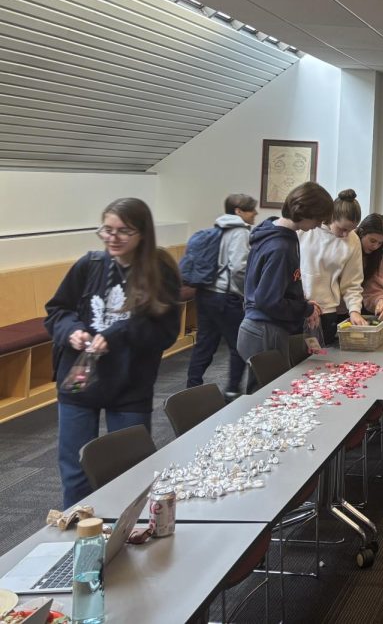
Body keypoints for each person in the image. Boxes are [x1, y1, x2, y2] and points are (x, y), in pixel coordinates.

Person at [45, 198, 182, 506]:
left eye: (123, 231)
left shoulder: (160, 272)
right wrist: (72, 332)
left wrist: (116, 334)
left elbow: (164, 333)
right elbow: (57, 311)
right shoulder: (89, 264)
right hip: (80, 374)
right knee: (75, 468)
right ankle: (79, 535)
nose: (112, 238)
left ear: (142, 234)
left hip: (129, 380)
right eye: (107, 229)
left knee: (128, 468)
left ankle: (124, 534)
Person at [237, 182, 332, 389]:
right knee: (268, 396)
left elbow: (281, 286)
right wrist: (304, 308)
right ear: (304, 212)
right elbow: (268, 300)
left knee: (266, 393)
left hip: (261, 327)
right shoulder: (280, 246)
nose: (318, 225)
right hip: (265, 329)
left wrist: (303, 302)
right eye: (317, 219)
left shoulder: (277, 233)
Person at [185, 192, 256, 397]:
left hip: (205, 293)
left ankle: (192, 388)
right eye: (251, 209)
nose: (255, 213)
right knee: (238, 345)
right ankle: (233, 389)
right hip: (226, 297)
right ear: (239, 211)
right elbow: (238, 268)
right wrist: (247, 292)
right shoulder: (240, 232)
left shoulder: (216, 228)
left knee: (205, 344)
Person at [299, 189, 367, 346]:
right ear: (331, 217)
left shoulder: (353, 240)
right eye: (342, 229)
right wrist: (301, 302)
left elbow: (352, 283)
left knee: (320, 363)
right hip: (299, 309)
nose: (345, 235)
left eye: (350, 230)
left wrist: (354, 310)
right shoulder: (307, 230)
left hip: (326, 313)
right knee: (296, 364)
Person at [356, 214, 383, 321]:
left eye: (380, 243)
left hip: (354, 310)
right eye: (372, 241)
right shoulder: (346, 244)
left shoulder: (378, 257)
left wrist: (381, 301)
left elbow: (375, 290)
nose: (375, 246)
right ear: (361, 232)